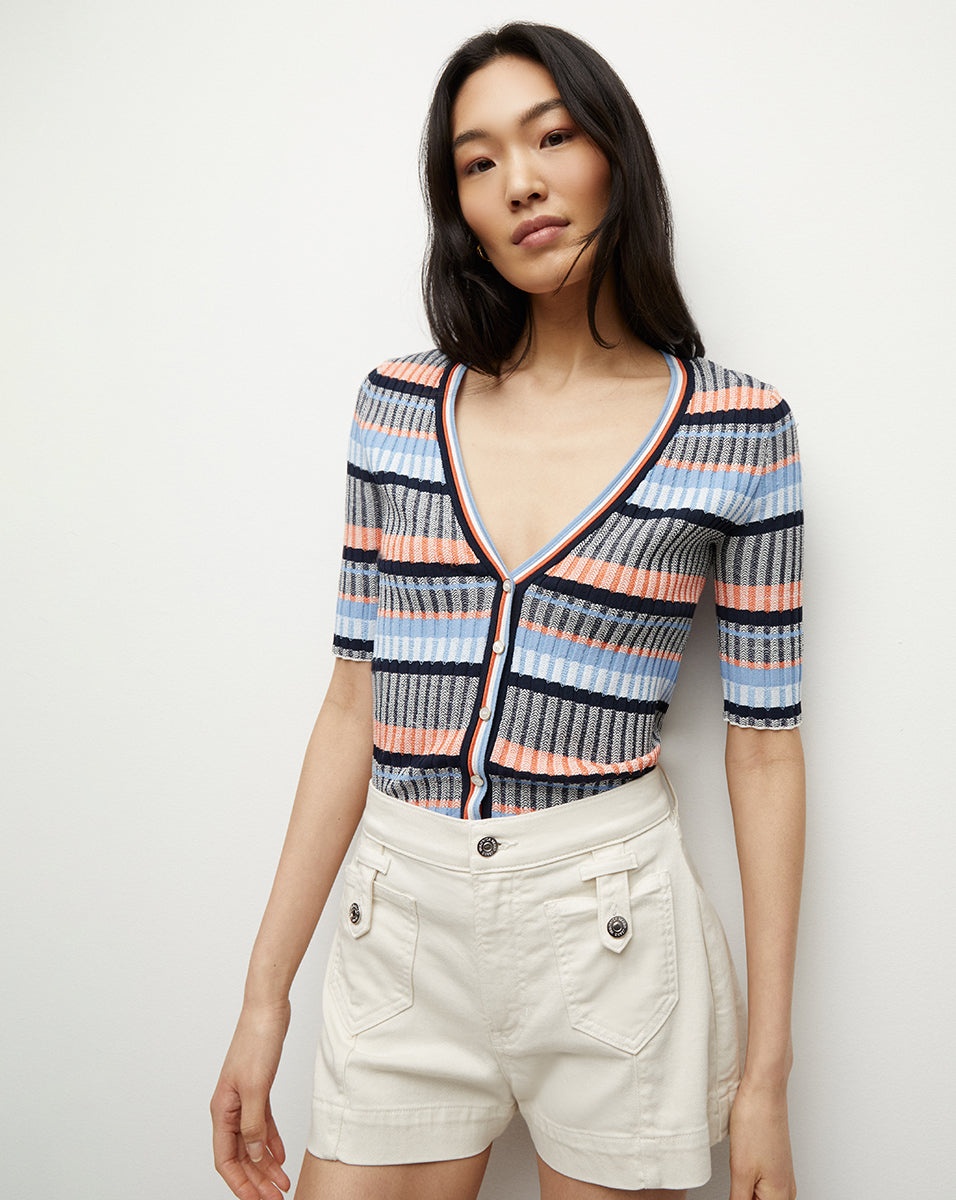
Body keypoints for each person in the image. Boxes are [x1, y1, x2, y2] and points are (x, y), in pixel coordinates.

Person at [211, 22, 804, 1200]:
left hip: (608, 928)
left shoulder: (737, 427)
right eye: (477, 163)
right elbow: (350, 707)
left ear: (614, 156)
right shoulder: (395, 408)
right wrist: (262, 998)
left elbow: (765, 751)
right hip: (400, 925)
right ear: (460, 212)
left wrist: (763, 1084)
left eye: (551, 137)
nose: (519, 182)